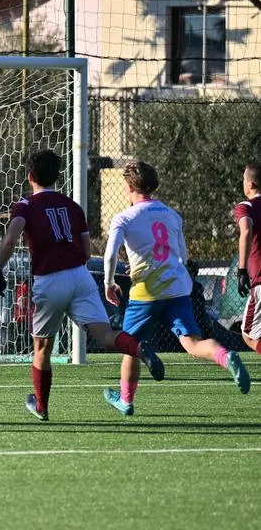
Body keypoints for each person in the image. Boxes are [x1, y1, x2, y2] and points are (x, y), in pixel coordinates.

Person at [0, 149, 164, 422]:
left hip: (49, 280)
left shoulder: (25, 205)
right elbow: (85, 250)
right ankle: (140, 349)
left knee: (42, 347)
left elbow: (11, 238)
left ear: (30, 177)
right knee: (106, 335)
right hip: (80, 275)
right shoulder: (72, 206)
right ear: (58, 176)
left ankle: (42, 406)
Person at [103, 160, 250, 416]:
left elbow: (110, 254)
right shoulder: (172, 215)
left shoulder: (124, 218)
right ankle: (226, 357)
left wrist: (109, 282)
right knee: (193, 344)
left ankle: (126, 400)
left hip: (146, 292)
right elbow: (181, 256)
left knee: (131, 345)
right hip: (178, 288)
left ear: (128, 187)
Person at [233, 161, 261, 353]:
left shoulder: (246, 206)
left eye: (244, 179)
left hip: (260, 278)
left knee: (249, 334)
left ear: (250, 184)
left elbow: (246, 229)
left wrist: (242, 270)